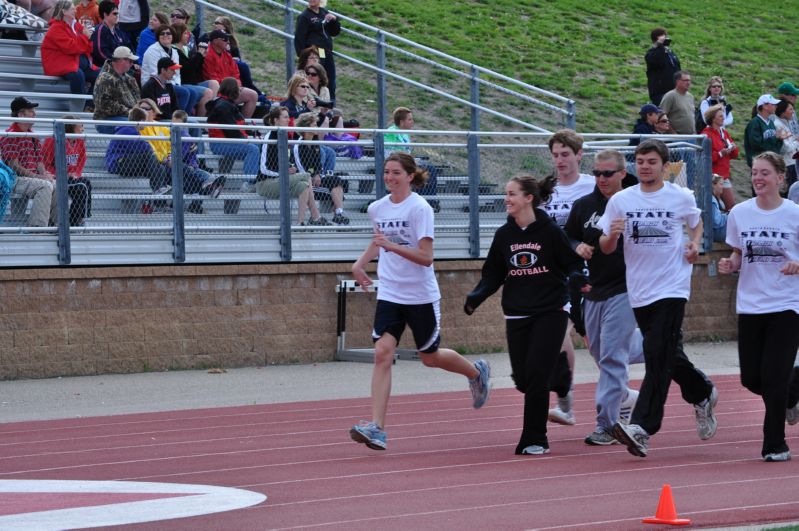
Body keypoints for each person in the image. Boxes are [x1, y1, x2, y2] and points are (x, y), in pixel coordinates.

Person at [348, 151, 490, 451]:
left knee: (430, 357)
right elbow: (378, 243)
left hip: (420, 294)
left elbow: (426, 258)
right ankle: (377, 428)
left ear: (410, 176)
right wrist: (359, 265)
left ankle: (476, 373)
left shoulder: (420, 208)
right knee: (382, 352)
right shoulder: (377, 208)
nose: (389, 177)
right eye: (386, 172)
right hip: (390, 292)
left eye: (396, 173)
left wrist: (391, 246)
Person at [598, 139, 718, 458]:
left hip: (673, 286)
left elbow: (696, 224)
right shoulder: (621, 200)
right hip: (640, 290)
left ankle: (642, 427)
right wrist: (612, 234)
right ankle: (702, 391)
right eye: (640, 161)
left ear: (665, 166)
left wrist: (694, 244)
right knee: (667, 353)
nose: (645, 166)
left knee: (655, 352)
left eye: (651, 161)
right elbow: (606, 247)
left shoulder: (680, 196)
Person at [464, 174, 585, 454]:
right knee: (523, 379)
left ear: (528, 198)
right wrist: (476, 297)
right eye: (506, 194)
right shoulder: (504, 235)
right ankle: (561, 375)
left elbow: (571, 263)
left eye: (512, 194)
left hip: (551, 310)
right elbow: (494, 273)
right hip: (517, 312)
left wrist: (577, 278)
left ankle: (534, 438)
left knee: (536, 378)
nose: (506, 199)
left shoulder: (551, 232)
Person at [718, 152, 799, 462]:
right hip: (750, 305)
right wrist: (730, 263)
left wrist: (797, 265)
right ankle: (792, 392)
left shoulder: (794, 213)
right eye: (754, 173)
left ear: (780, 178)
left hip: (787, 305)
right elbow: (738, 253)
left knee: (774, 377)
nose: (757, 178)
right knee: (752, 379)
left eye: (765, 173)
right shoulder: (739, 213)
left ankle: (775, 445)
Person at [564, 149, 641, 445]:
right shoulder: (584, 205)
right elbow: (567, 235)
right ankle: (665, 348)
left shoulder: (636, 199)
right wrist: (577, 247)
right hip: (595, 288)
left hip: (628, 287)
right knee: (600, 351)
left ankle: (606, 424)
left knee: (610, 357)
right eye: (596, 173)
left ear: (622, 173)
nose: (601, 178)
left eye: (607, 173)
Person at [542, 129, 595, 426]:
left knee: (596, 343)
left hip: (589, 272)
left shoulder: (592, 187)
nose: (560, 160)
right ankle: (566, 402)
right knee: (557, 334)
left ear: (579, 155)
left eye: (565, 154)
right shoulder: (546, 190)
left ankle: (623, 398)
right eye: (555, 155)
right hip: (553, 275)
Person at [258, 106, 329, 226]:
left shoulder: (284, 135)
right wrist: (284, 173)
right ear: (276, 120)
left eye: (288, 117)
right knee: (306, 176)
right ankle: (316, 217)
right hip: (266, 183)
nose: (288, 120)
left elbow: (284, 161)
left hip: (281, 180)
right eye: (285, 117)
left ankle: (300, 223)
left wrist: (290, 168)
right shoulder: (269, 137)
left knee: (304, 186)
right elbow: (263, 169)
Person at [0, 97, 56, 227]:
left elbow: (39, 163)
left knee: (56, 184)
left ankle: (56, 226)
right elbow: (14, 166)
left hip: (32, 178)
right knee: (45, 185)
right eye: (31, 111)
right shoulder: (10, 135)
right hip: (15, 179)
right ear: (21, 114)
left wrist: (45, 175)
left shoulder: (32, 135)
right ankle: (37, 229)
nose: (35, 114)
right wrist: (39, 177)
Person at [292, 112, 349, 225]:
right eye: (314, 125)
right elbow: (300, 167)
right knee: (335, 189)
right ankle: (315, 218)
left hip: (314, 179)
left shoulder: (315, 142)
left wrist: (317, 174)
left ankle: (339, 213)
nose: (317, 128)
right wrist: (312, 176)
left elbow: (318, 164)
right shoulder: (298, 145)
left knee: (338, 181)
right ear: (306, 128)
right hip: (304, 182)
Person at [105, 106, 171, 195]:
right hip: (118, 163)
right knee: (148, 155)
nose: (146, 123)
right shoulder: (127, 130)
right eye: (145, 120)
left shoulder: (132, 130)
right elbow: (144, 148)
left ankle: (160, 195)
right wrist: (162, 159)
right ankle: (159, 188)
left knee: (161, 168)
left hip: (128, 163)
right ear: (140, 121)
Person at [205, 77, 260, 180]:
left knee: (261, 145)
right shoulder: (223, 106)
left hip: (228, 142)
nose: (240, 91)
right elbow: (232, 132)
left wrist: (253, 133)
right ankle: (249, 182)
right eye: (238, 88)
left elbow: (239, 126)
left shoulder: (227, 104)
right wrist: (248, 139)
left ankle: (262, 178)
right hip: (220, 144)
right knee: (252, 149)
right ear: (233, 90)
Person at [384, 106, 439, 206]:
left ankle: (429, 201)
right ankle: (429, 202)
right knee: (428, 168)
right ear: (402, 122)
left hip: (406, 162)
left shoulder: (404, 133)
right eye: (409, 119)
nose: (412, 122)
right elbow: (389, 153)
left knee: (430, 168)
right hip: (397, 163)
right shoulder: (392, 132)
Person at [41, 0, 98, 96]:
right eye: (72, 9)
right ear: (64, 12)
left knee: (101, 75)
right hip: (59, 63)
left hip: (73, 61)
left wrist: (87, 38)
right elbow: (71, 47)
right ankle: (79, 106)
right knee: (78, 75)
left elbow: (87, 47)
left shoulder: (75, 25)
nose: (75, 11)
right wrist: (85, 37)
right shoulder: (55, 28)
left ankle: (88, 106)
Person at [42, 116, 91, 226]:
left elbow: (82, 160)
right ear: (71, 127)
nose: (83, 129)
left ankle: (76, 218)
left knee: (85, 184)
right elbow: (45, 163)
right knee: (80, 187)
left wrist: (76, 174)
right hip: (56, 177)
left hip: (71, 177)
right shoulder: (52, 140)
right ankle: (74, 220)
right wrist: (61, 174)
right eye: (80, 126)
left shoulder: (79, 141)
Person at [202, 29, 257, 118]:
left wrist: (236, 84)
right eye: (224, 39)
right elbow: (210, 76)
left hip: (230, 89)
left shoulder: (227, 55)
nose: (228, 41)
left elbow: (236, 73)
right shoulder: (207, 55)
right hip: (217, 90)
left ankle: (242, 126)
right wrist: (230, 84)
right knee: (215, 85)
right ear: (215, 41)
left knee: (252, 95)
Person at [294, 0, 340, 100]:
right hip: (314, 54)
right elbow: (299, 38)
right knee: (315, 79)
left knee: (330, 81)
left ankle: (329, 105)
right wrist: (304, 57)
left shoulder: (324, 12)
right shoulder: (304, 16)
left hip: (326, 52)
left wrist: (334, 20)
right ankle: (313, 104)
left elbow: (335, 32)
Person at [208, 16, 264, 99]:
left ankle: (257, 93)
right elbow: (211, 74)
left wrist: (236, 82)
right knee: (242, 66)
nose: (214, 24)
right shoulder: (209, 41)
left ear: (225, 26)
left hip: (230, 71)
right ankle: (258, 93)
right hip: (221, 79)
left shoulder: (231, 42)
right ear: (215, 41)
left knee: (241, 66)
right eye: (224, 40)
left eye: (217, 23)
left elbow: (236, 67)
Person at [92, 46, 141, 134]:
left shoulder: (130, 79)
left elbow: (138, 100)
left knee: (151, 125)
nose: (132, 64)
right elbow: (104, 104)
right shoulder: (105, 78)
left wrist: (141, 112)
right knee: (133, 127)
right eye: (130, 61)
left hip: (128, 117)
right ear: (122, 61)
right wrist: (130, 112)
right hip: (106, 120)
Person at [701, 104, 739, 209]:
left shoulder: (724, 133)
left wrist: (733, 148)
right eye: (720, 116)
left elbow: (735, 155)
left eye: (723, 116)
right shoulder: (706, 134)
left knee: (729, 207)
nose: (724, 118)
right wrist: (720, 153)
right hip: (713, 177)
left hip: (724, 176)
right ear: (713, 119)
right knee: (728, 207)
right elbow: (704, 158)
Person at [744, 94, 786, 168]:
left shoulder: (771, 123)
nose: (776, 106)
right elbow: (756, 145)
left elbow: (774, 148)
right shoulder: (755, 123)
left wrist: (780, 140)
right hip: (759, 165)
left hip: (771, 163)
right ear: (765, 106)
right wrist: (775, 138)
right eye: (773, 104)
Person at [645, 27, 681, 106]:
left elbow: (677, 68)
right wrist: (659, 46)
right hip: (660, 92)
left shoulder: (670, 52)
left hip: (675, 91)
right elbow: (657, 61)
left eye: (665, 36)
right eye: (662, 36)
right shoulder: (651, 53)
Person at [91, 0, 132, 68]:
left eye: (118, 13)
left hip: (122, 65)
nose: (117, 16)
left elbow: (128, 45)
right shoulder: (100, 30)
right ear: (105, 15)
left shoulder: (118, 29)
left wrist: (132, 61)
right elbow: (101, 53)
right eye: (114, 14)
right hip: (106, 67)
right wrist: (117, 63)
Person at [773, 99, 799, 188]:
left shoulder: (786, 124)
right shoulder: (778, 125)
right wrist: (797, 141)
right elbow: (785, 148)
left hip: (792, 162)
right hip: (787, 164)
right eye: (790, 109)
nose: (793, 112)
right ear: (783, 112)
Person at [710, 175, 727, 242]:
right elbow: (716, 222)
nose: (723, 187)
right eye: (721, 184)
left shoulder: (710, 198)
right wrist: (727, 216)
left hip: (711, 233)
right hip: (715, 234)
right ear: (713, 185)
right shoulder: (712, 200)